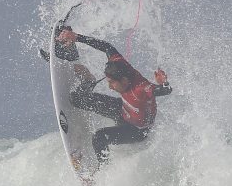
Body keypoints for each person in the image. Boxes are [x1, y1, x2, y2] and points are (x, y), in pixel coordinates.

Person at [54, 23, 172, 162]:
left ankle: (101, 170)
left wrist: (163, 82)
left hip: (137, 130)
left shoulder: (142, 88)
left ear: (124, 80)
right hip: (122, 109)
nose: (110, 87)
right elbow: (106, 47)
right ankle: (88, 81)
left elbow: (166, 90)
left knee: (99, 137)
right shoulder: (119, 62)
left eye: (112, 83)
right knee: (76, 98)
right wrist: (77, 37)